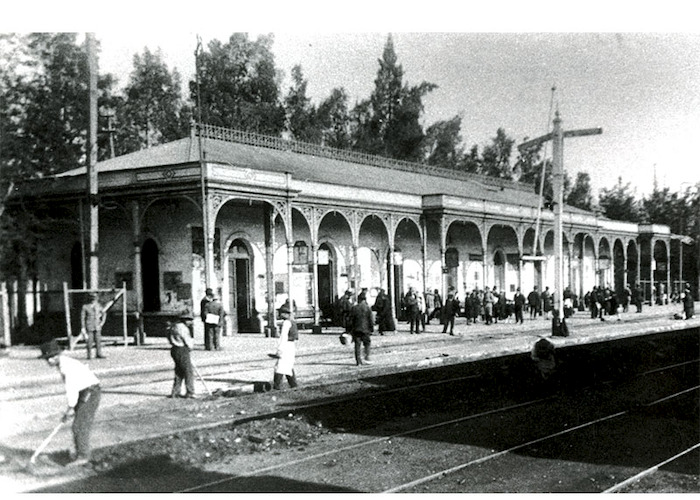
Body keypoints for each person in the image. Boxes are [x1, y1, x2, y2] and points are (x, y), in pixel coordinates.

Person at [39, 339, 101, 467]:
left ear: (57, 355)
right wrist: (71, 408)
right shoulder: (62, 364)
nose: (49, 361)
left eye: (51, 357)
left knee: (79, 425)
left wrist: (70, 409)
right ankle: (80, 453)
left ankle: (83, 456)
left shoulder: (66, 366)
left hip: (90, 392)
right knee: (78, 425)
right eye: (47, 359)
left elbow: (71, 389)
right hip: (83, 391)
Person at [168, 312, 196, 399]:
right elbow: (187, 340)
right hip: (182, 349)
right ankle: (190, 392)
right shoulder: (183, 328)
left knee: (179, 371)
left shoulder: (173, 326)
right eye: (189, 320)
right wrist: (190, 347)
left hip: (174, 349)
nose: (191, 322)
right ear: (184, 320)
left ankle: (175, 392)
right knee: (188, 372)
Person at [272, 303, 299, 389]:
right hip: (291, 345)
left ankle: (276, 386)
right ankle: (293, 384)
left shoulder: (286, 323)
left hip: (286, 345)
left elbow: (283, 337)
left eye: (281, 313)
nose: (280, 315)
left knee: (280, 366)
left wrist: (279, 349)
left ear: (285, 314)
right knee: (287, 365)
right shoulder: (292, 322)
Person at [349, 292, 374, 365]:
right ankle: (367, 357)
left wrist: (350, 330)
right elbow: (371, 320)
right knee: (367, 344)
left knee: (357, 345)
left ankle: (358, 361)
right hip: (366, 330)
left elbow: (350, 320)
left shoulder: (354, 308)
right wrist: (371, 329)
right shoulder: (368, 308)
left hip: (356, 329)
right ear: (365, 299)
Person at [81, 292, 106, 360]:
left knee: (98, 341)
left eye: (94, 298)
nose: (93, 300)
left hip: (97, 326)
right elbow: (82, 318)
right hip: (89, 326)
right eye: (91, 298)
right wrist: (83, 327)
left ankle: (99, 353)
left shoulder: (98, 306)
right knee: (89, 341)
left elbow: (104, 313)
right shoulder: (85, 307)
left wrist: (102, 322)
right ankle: (89, 355)